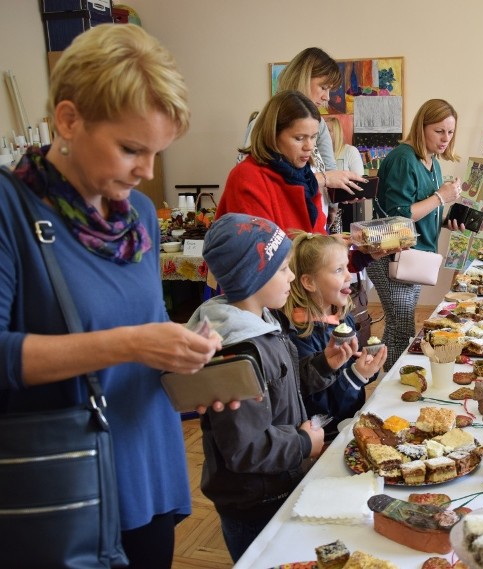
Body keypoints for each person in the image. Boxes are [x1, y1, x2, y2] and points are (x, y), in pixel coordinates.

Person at [0, 24, 221, 567]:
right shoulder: (12, 212)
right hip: (63, 481)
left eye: (156, 152)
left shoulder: (139, 216)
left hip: (148, 464)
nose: (147, 173)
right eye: (130, 149)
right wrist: (130, 344)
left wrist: (189, 364)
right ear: (69, 119)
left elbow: (141, 343)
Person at [186, 213, 358, 561]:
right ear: (253, 277)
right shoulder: (235, 351)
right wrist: (302, 443)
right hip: (256, 502)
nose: (292, 277)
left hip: (279, 482)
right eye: (282, 270)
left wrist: (326, 363)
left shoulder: (261, 324)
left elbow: (285, 383)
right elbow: (245, 446)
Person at [367, 99, 463, 369]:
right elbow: (399, 216)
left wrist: (444, 221)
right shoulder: (403, 158)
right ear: (422, 127)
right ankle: (391, 391)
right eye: (439, 131)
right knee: (401, 328)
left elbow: (420, 211)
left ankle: (393, 384)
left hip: (414, 257)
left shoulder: (431, 160)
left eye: (451, 132)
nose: (446, 139)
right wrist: (440, 197)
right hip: (391, 255)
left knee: (402, 327)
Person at [282, 232, 387, 439]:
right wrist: (357, 375)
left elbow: (354, 371)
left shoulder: (341, 318)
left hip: (352, 422)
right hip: (326, 437)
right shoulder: (301, 334)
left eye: (347, 267)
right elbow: (322, 407)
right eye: (339, 270)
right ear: (309, 282)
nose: (349, 276)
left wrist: (367, 367)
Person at [218, 90, 329, 233]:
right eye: (299, 138)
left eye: (313, 137)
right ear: (273, 135)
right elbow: (260, 248)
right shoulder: (247, 176)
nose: (310, 147)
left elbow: (317, 235)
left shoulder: (306, 176)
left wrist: (331, 245)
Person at [275, 47, 366, 203]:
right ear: (302, 78)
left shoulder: (320, 123)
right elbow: (273, 185)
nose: (327, 97)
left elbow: (329, 170)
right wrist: (325, 179)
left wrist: (337, 196)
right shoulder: (269, 121)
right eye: (323, 87)